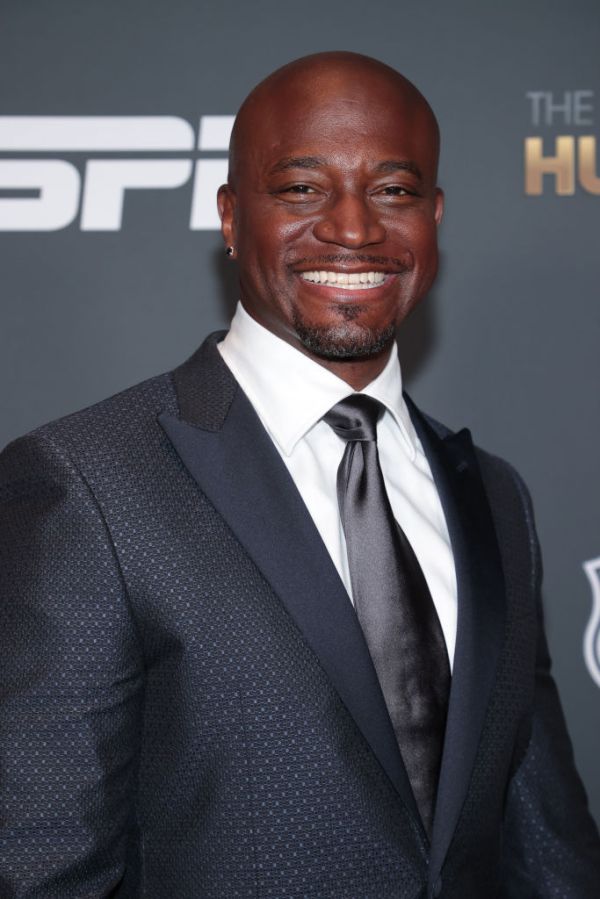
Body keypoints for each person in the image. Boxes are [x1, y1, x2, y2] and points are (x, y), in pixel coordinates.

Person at [0, 51, 599, 899]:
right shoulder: (87, 484)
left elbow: (548, 848)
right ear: (231, 215)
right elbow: (40, 869)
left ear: (433, 216)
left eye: (393, 190)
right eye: (302, 189)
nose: (354, 228)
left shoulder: (496, 498)